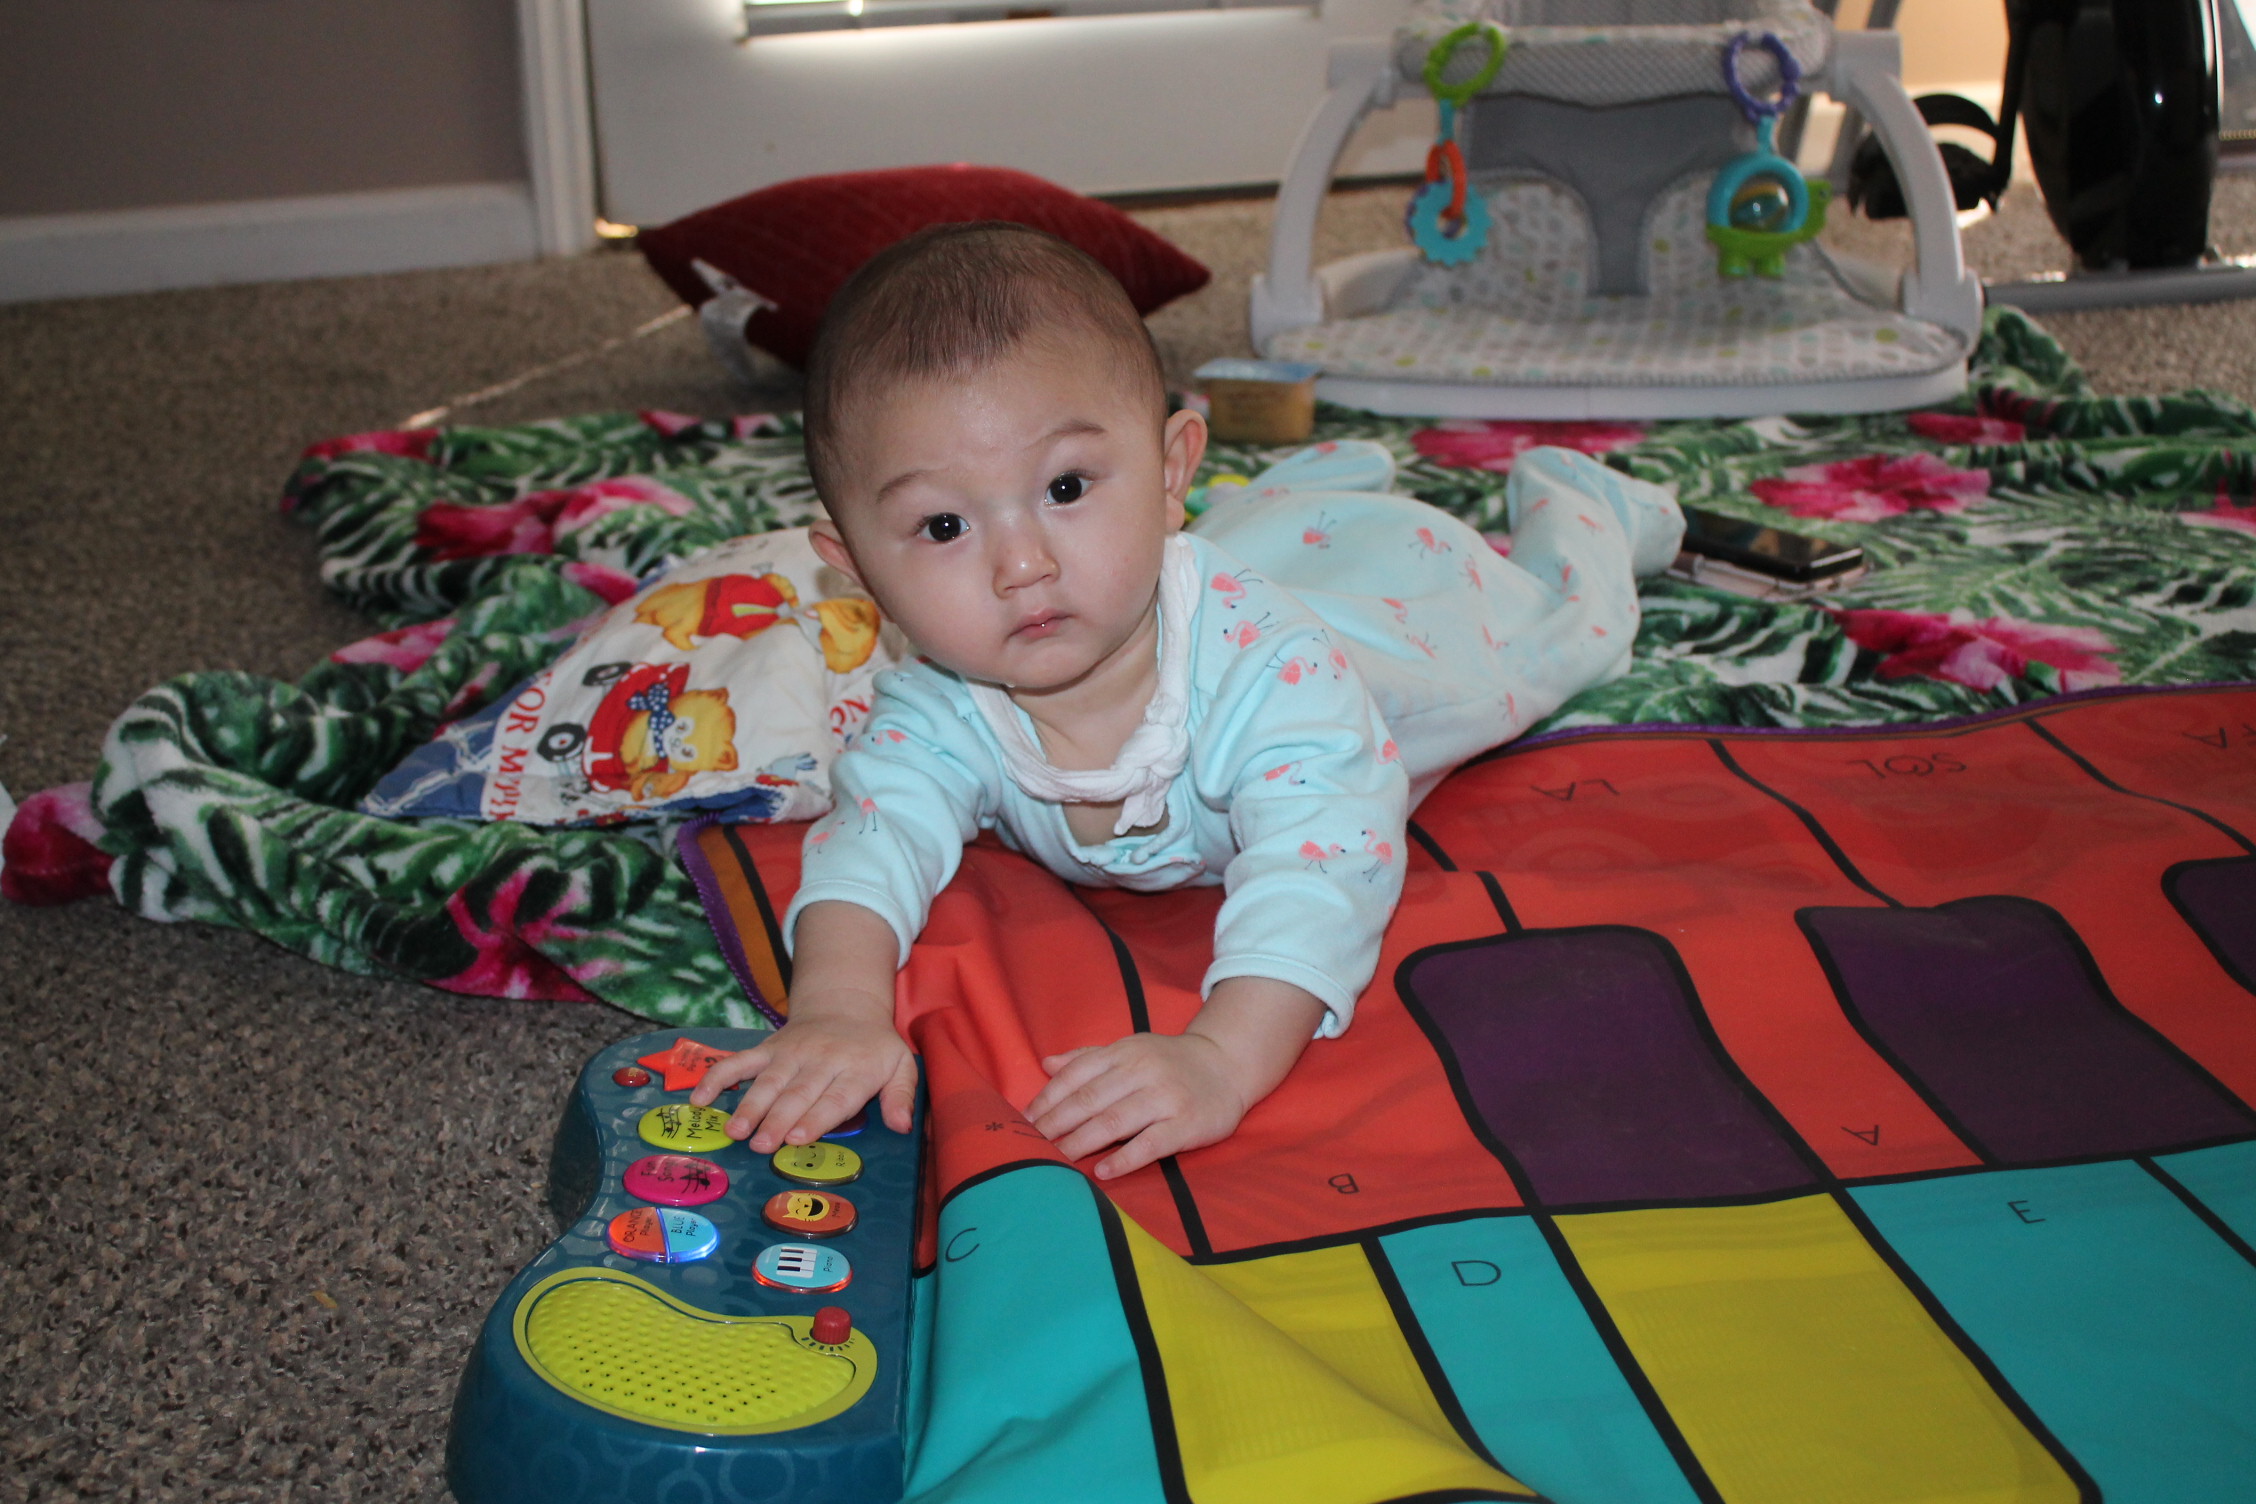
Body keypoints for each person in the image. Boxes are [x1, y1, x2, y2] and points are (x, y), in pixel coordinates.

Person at [691, 222, 1682, 1179]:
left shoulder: (1277, 674)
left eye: (1067, 487)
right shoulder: (938, 697)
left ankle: (1587, 506)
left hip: (1382, 647)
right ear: (855, 566)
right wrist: (838, 1012)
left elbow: (1324, 867)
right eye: (944, 525)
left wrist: (1222, 1057)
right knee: (1259, 535)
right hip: (1194, 566)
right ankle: (1290, 492)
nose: (1022, 564)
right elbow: (871, 841)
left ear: (1172, 473)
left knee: (1544, 637)